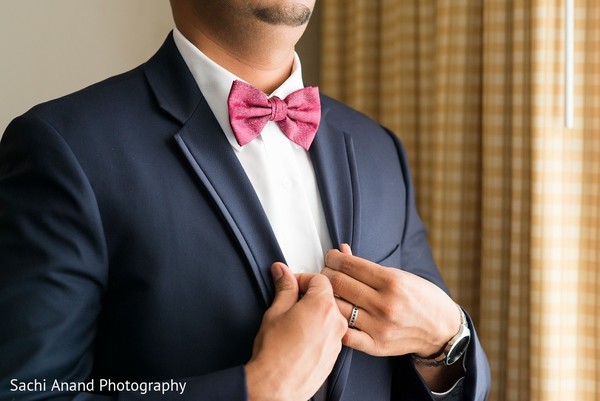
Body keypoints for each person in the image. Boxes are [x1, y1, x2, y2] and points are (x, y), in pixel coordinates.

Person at [0, 1, 490, 400]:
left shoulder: (378, 148)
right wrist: (256, 391)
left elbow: (432, 367)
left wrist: (447, 342)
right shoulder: (64, 147)